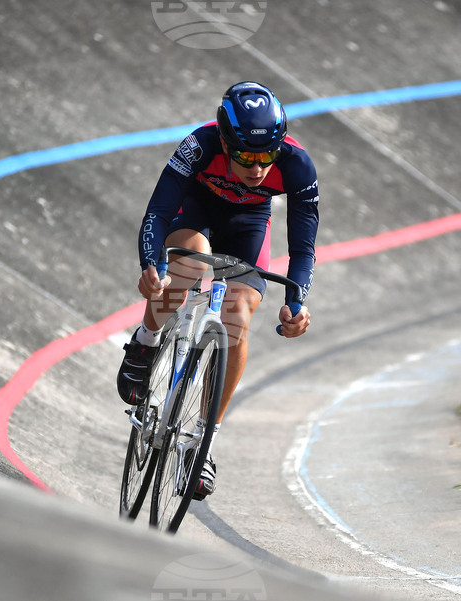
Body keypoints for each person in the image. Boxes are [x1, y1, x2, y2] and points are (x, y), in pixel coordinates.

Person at [117, 81, 320, 499]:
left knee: (238, 312)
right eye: (245, 155)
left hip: (249, 223)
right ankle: (146, 342)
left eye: (267, 155)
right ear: (225, 143)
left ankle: (202, 442)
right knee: (190, 263)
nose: (257, 168)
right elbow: (157, 211)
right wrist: (151, 265)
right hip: (196, 210)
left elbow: (303, 248)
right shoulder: (200, 144)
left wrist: (296, 302)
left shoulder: (298, 165)